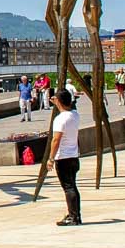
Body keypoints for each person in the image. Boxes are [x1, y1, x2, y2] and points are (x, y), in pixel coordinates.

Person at [49, 88, 81, 225]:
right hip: (74, 156)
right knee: (73, 186)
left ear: (59, 101)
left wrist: (51, 158)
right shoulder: (75, 115)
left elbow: (56, 140)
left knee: (68, 187)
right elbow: (70, 107)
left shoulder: (60, 119)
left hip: (63, 157)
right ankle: (75, 214)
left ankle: (73, 217)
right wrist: (60, 100)